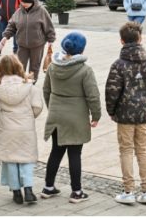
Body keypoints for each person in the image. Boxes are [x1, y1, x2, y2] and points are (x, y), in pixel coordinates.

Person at [104, 22, 146, 205]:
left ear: (121, 41)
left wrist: (111, 111)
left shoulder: (118, 65)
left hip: (125, 114)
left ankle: (128, 190)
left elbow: (111, 91)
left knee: (126, 150)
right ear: (140, 39)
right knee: (142, 150)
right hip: (145, 113)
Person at [41, 31, 102, 203]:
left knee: (56, 151)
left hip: (56, 115)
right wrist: (96, 115)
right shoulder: (84, 70)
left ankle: (48, 187)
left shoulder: (53, 66)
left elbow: (46, 90)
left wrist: (52, 107)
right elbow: (93, 96)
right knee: (74, 154)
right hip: (76, 117)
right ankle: (76, 192)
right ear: (81, 50)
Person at [0, 53, 44, 205]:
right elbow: (37, 107)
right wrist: (29, 116)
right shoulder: (29, 87)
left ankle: (16, 192)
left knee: (11, 159)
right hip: (25, 126)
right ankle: (28, 189)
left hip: (7, 127)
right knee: (26, 158)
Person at [1, 0, 56, 82]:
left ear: (32, 2)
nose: (24, 4)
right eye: (23, 2)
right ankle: (20, 82)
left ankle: (32, 84)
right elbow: (11, 25)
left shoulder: (42, 11)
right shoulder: (18, 12)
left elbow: (49, 26)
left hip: (37, 45)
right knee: (19, 65)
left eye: (27, 3)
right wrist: (5, 36)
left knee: (34, 66)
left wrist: (51, 40)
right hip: (22, 45)